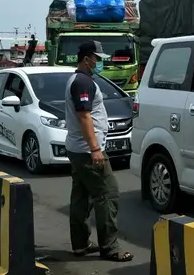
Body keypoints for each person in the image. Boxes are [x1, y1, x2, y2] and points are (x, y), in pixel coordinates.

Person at [64, 40, 133, 262]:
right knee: (107, 194)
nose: (99, 63)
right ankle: (110, 248)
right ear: (87, 59)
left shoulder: (79, 79)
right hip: (86, 150)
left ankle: (81, 244)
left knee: (82, 196)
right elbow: (84, 116)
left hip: (77, 148)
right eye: (97, 59)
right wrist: (95, 149)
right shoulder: (83, 82)